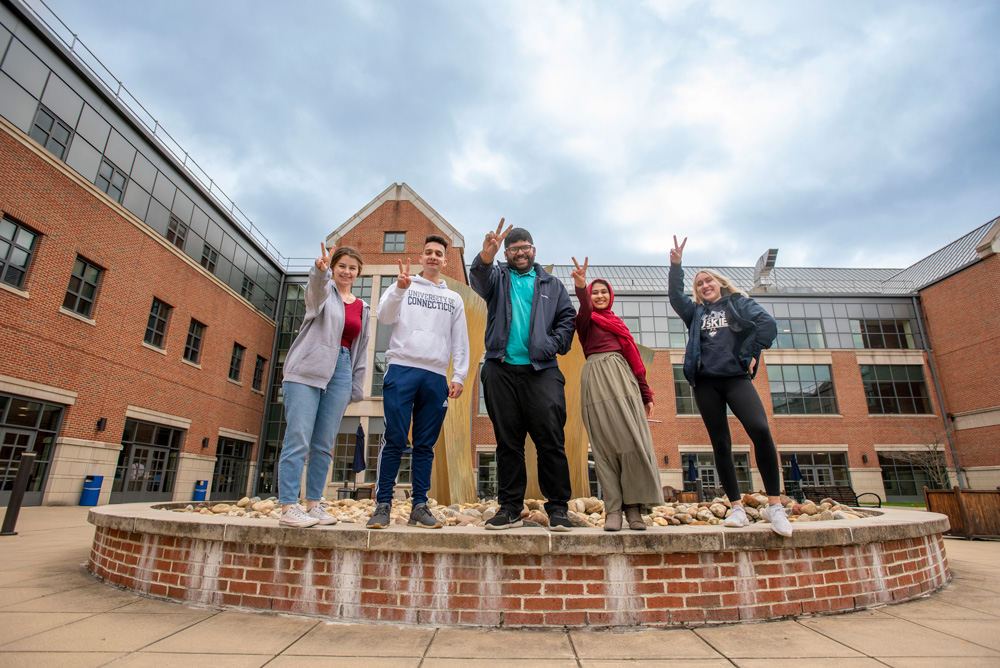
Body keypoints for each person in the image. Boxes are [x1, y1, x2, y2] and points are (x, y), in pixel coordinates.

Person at [667, 235, 792, 537]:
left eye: (708, 281)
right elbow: (675, 297)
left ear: (720, 283)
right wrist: (676, 267)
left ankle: (774, 506)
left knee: (760, 430)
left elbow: (768, 326)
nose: (704, 286)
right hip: (706, 382)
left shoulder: (739, 304)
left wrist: (750, 352)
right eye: (699, 284)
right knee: (720, 443)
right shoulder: (695, 313)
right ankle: (736, 508)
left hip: (735, 379)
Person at [470, 220, 576, 531]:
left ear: (533, 250)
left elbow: (567, 318)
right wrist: (486, 256)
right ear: (506, 252)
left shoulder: (551, 285)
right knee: (507, 442)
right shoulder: (498, 277)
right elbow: (479, 279)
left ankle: (558, 508)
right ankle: (510, 508)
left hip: (542, 371)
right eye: (514, 249)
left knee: (551, 440)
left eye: (525, 248)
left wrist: (552, 344)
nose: (520, 253)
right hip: (500, 369)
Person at [367, 235, 470, 529]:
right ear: (421, 258)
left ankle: (419, 506)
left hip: (435, 374)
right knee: (395, 439)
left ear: (445, 261)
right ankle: (383, 504)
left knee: (425, 445)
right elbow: (384, 316)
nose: (433, 257)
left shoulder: (454, 299)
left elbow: (459, 340)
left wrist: (459, 375)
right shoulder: (404, 284)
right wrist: (400, 290)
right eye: (428, 253)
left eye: (439, 253)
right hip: (402, 368)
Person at [277, 243, 370, 528]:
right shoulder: (323, 292)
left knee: (324, 443)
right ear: (333, 268)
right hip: (308, 368)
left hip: (341, 371)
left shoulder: (362, 307)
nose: (347, 271)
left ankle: (314, 503)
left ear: (358, 273)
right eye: (341, 266)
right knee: (298, 437)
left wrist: (356, 385)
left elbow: (362, 348)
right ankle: (288, 506)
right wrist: (318, 273)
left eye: (352, 268)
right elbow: (314, 294)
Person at [571, 257, 663, 531]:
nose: (599, 296)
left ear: (611, 296)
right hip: (596, 379)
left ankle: (634, 508)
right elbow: (584, 307)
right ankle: (613, 510)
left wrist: (646, 395)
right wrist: (580, 286)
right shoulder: (585, 320)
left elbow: (635, 361)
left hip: (624, 381)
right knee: (604, 447)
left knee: (632, 442)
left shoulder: (619, 325)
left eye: (603, 292)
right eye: (594, 292)